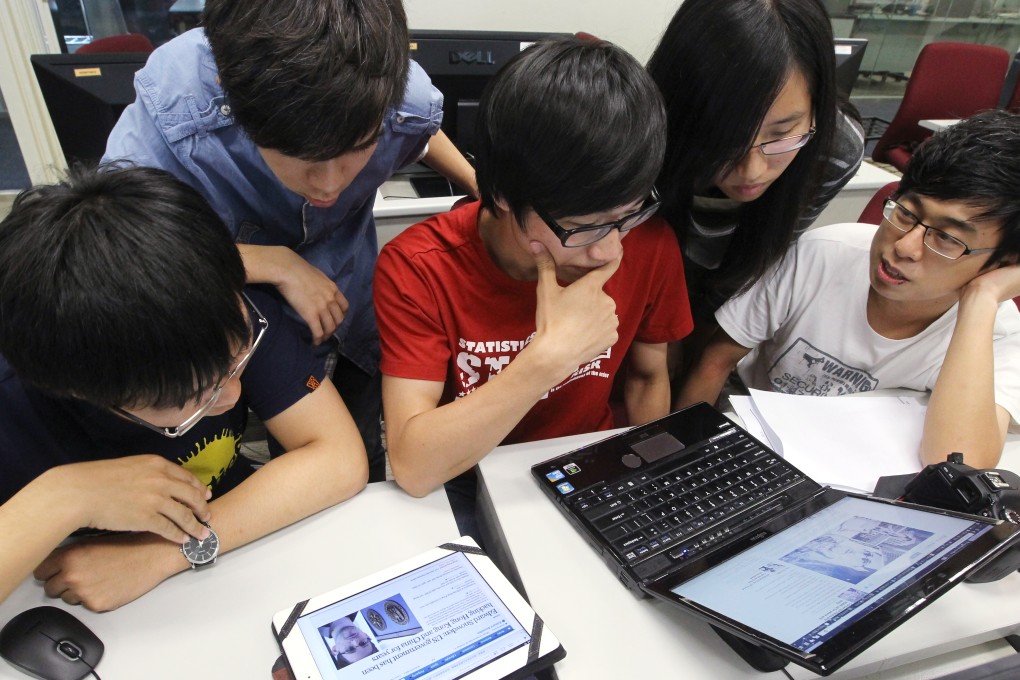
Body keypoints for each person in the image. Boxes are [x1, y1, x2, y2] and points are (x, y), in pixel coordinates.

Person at [103, 0, 477, 482]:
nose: (328, 186)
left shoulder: (404, 96)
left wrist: (478, 182)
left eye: (356, 150)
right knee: (275, 460)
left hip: (349, 298)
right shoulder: (178, 108)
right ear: (232, 98)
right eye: (297, 157)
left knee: (359, 453)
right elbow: (121, 246)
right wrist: (272, 264)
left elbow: (419, 134)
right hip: (235, 315)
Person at [0, 166, 368, 610]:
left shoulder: (215, 310)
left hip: (236, 553)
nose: (233, 397)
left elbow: (339, 457)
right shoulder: (24, 395)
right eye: (193, 397)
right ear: (79, 390)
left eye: (238, 363)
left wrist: (169, 554)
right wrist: (65, 495)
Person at [374, 38, 694, 498]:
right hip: (469, 482)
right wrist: (550, 357)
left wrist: (655, 489)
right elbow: (414, 466)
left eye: (627, 215)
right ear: (502, 193)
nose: (608, 250)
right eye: (583, 227)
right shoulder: (419, 268)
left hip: (592, 471)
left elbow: (647, 376)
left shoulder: (647, 241)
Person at [677, 110, 1020, 470]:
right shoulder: (823, 253)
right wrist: (684, 465)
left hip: (858, 474)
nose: (905, 247)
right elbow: (715, 361)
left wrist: (981, 300)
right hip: (755, 439)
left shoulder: (997, 330)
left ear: (1002, 261)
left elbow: (960, 463)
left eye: (947, 239)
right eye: (905, 213)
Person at [646, 0, 865, 366]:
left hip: (728, 292)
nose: (751, 172)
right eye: (724, 140)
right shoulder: (648, 137)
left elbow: (761, 256)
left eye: (781, 136)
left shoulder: (833, 152)